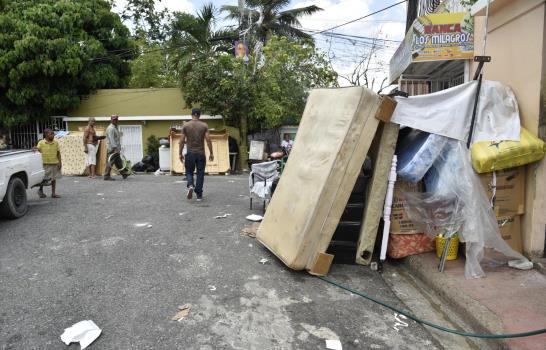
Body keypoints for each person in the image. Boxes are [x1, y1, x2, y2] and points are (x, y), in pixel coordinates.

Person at [179, 108, 214, 201]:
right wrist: (211, 153)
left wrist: (180, 153)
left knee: (189, 172)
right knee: (200, 173)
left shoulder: (186, 126)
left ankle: (190, 185)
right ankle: (199, 195)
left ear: (191, 114)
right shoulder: (204, 125)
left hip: (190, 153)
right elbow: (208, 140)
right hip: (201, 153)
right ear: (199, 115)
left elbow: (182, 141)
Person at [36, 128, 62, 198]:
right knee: (43, 178)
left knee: (54, 178)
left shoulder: (56, 143)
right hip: (45, 163)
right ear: (46, 135)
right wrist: (35, 149)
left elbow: (58, 153)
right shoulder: (41, 142)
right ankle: (40, 190)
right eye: (51, 134)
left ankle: (53, 193)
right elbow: (37, 149)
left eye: (53, 133)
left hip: (54, 163)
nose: (53, 135)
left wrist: (60, 162)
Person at [103, 114, 128, 180]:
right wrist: (115, 148)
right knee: (110, 162)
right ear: (111, 120)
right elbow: (111, 139)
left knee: (118, 161)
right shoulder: (111, 128)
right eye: (114, 119)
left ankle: (124, 173)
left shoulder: (115, 127)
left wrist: (119, 134)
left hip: (116, 147)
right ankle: (106, 175)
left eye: (116, 119)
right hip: (113, 148)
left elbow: (115, 137)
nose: (115, 120)